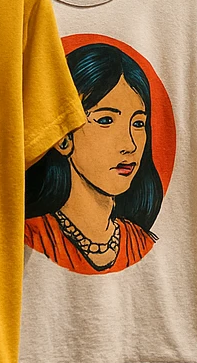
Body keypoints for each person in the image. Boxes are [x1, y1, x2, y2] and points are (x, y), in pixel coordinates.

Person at [26, 42, 163, 273]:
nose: (130, 145)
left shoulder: (140, 242)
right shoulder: (31, 237)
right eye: (106, 120)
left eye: (138, 123)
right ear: (62, 137)